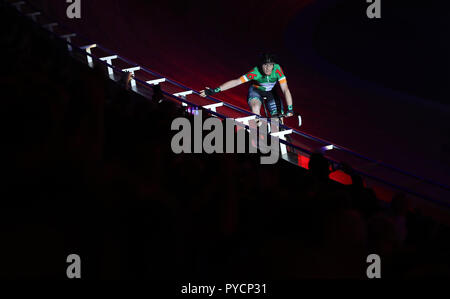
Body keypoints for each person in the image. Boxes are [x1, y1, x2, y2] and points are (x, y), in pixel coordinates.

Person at [200, 53, 294, 119]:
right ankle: (257, 133)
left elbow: (285, 89)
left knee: (277, 119)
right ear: (261, 65)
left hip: (271, 93)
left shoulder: (278, 70)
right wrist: (215, 90)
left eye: (270, 65)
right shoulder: (255, 72)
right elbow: (236, 82)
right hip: (256, 91)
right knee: (255, 109)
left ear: (274, 65)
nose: (267, 68)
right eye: (265, 64)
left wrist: (290, 108)